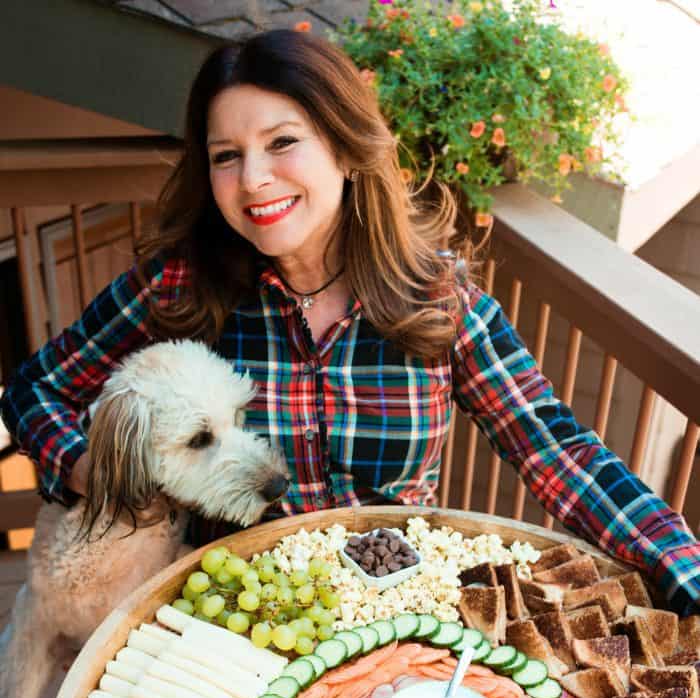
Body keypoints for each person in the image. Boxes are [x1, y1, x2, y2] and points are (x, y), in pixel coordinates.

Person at [2, 30, 698, 614]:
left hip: (401, 603)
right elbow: (34, 389)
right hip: (241, 611)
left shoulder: (436, 298)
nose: (252, 179)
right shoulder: (184, 286)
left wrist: (683, 570)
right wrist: (101, 472)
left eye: (282, 142)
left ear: (343, 146)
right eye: (225, 156)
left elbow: (557, 450)